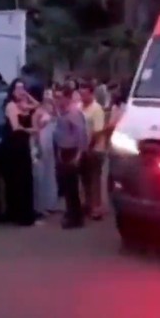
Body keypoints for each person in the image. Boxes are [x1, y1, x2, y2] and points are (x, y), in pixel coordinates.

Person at [2, 80, 39, 226]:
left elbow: (37, 105)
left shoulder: (23, 105)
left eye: (22, 87)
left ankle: (27, 214)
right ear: (12, 91)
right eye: (17, 88)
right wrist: (31, 130)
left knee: (26, 178)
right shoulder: (11, 106)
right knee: (20, 179)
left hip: (23, 144)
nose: (20, 90)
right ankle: (22, 216)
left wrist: (27, 95)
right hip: (15, 145)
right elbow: (16, 127)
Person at [52, 85, 89, 229]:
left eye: (59, 97)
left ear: (67, 98)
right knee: (67, 187)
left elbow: (81, 135)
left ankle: (76, 218)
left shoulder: (73, 114)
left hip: (73, 152)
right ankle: (71, 213)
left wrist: (78, 156)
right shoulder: (62, 113)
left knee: (72, 187)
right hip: (64, 152)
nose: (57, 100)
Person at [79, 83, 108, 220]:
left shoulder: (97, 109)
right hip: (81, 148)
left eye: (85, 94)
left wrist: (89, 146)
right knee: (85, 178)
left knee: (94, 178)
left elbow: (98, 131)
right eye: (81, 94)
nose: (83, 97)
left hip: (95, 148)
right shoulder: (79, 107)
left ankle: (97, 208)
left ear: (91, 94)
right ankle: (87, 204)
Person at [32, 89, 60, 215]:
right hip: (41, 141)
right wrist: (37, 146)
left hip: (50, 143)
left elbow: (57, 117)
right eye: (45, 95)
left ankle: (51, 203)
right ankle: (40, 206)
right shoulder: (37, 112)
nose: (48, 97)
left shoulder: (50, 110)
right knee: (41, 174)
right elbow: (35, 129)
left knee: (50, 172)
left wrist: (53, 104)